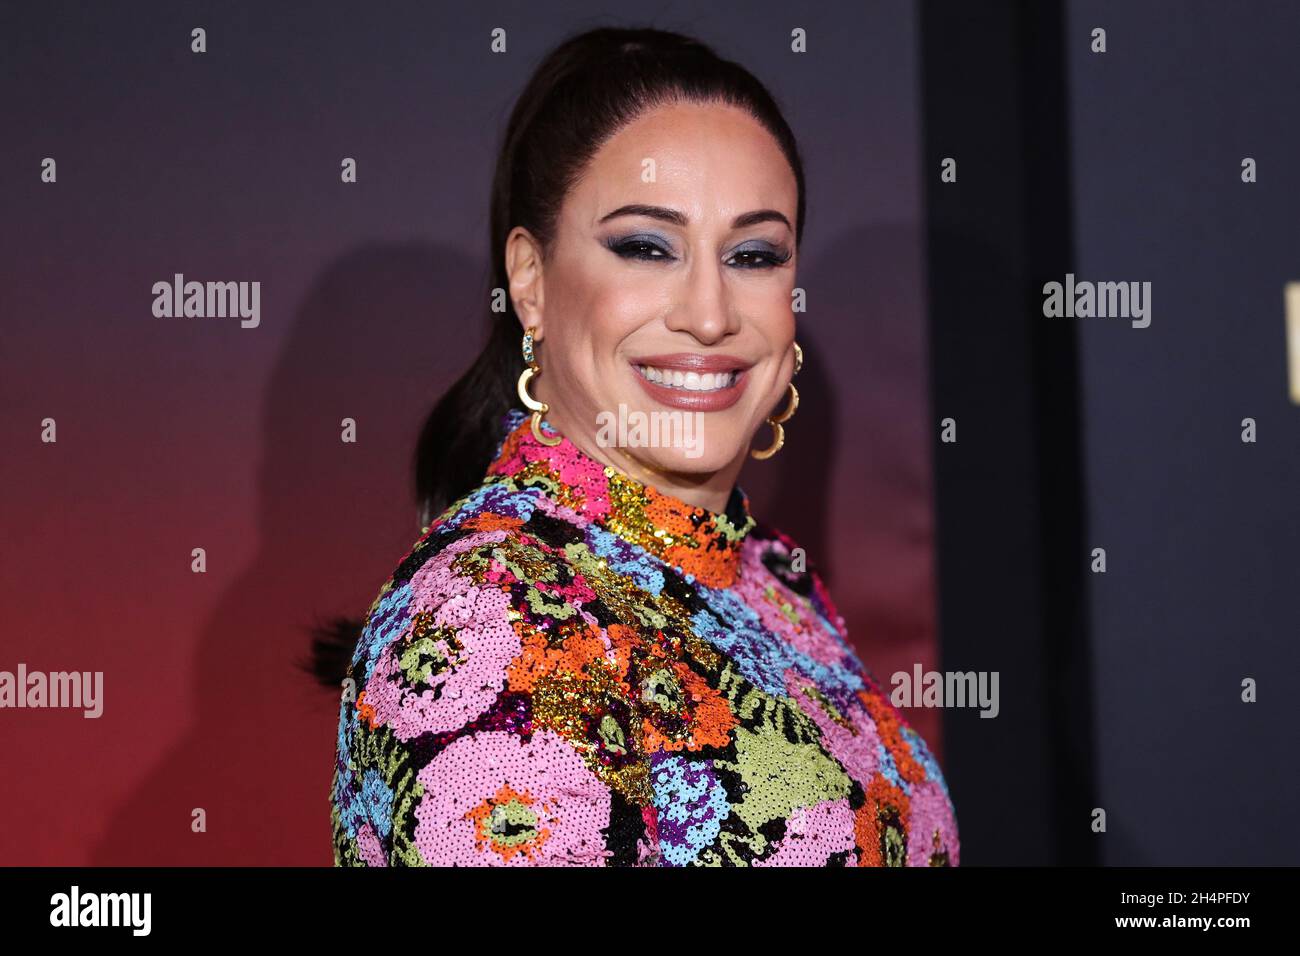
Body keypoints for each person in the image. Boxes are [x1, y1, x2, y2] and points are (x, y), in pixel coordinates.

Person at [322, 25, 959, 866]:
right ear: (531, 281)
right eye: (646, 247)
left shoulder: (766, 574)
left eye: (754, 254)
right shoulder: (486, 612)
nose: (709, 312)